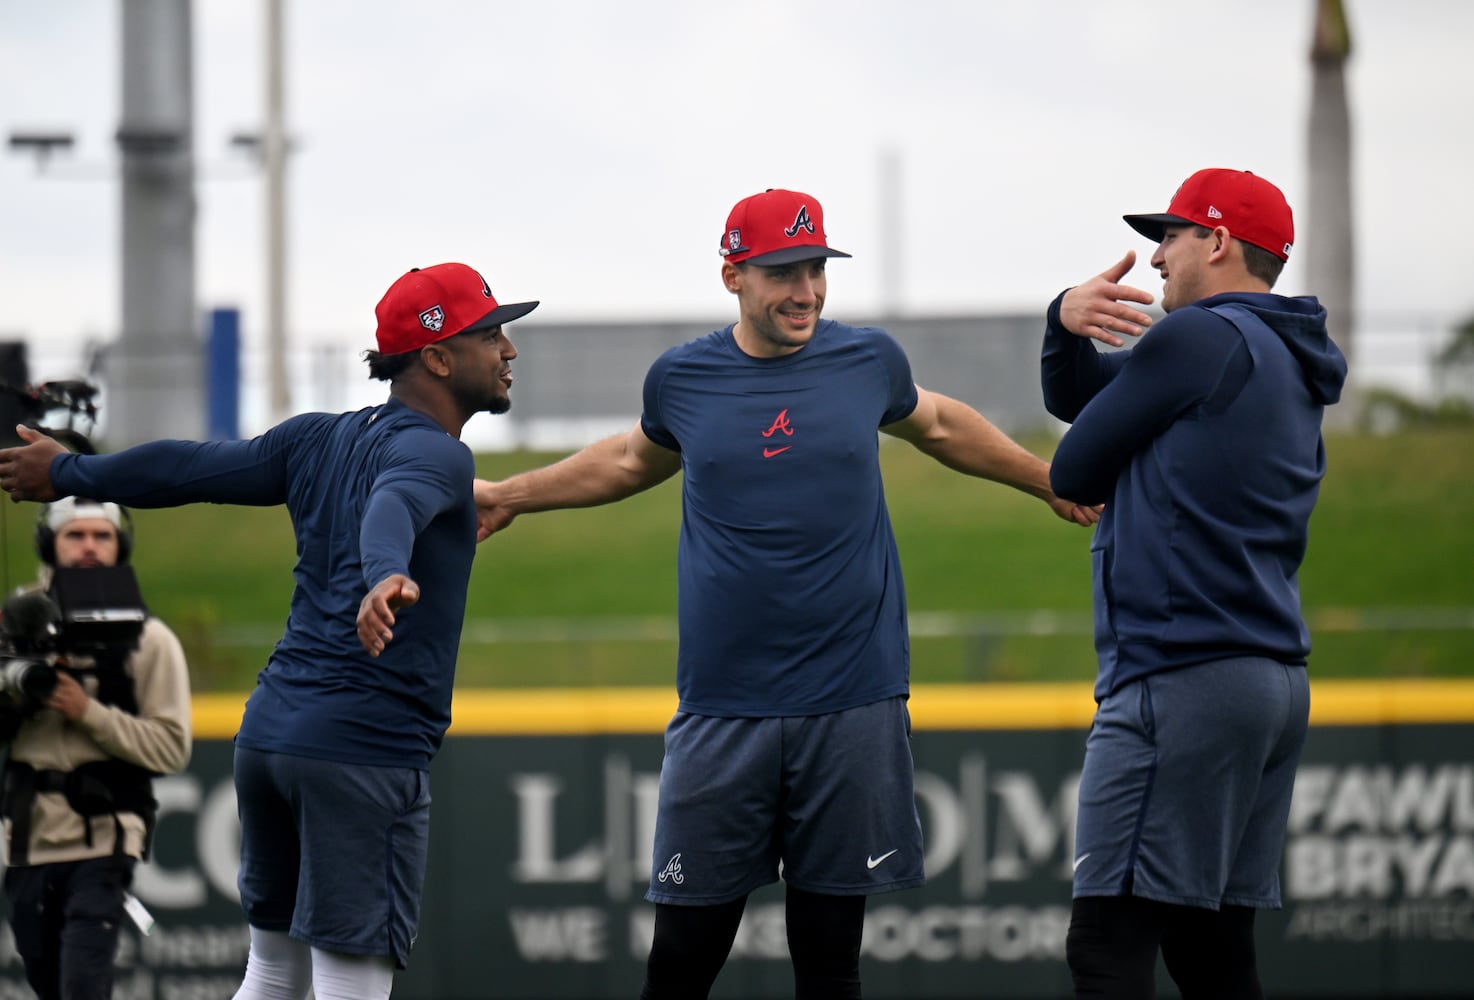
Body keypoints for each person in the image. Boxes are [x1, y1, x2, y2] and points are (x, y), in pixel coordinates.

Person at [475, 188, 1098, 1000]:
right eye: (782, 273)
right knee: (681, 961)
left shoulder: (869, 361)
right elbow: (631, 462)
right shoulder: (683, 379)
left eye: (815, 269)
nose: (805, 290)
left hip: (851, 703)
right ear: (733, 274)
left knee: (830, 962)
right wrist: (512, 493)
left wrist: (1051, 479)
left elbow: (941, 425)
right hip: (722, 711)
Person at [0, 262, 537, 1000]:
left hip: (273, 736)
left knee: (275, 971)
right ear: (438, 358)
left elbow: (187, 467)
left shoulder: (317, 439)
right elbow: (394, 506)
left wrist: (70, 474)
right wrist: (383, 572)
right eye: (490, 333)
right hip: (359, 749)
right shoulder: (437, 453)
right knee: (351, 978)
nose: (508, 348)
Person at [1041, 168, 1349, 998]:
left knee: (1108, 947)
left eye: (1171, 236)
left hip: (1183, 678)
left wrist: (1074, 349)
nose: (1155, 258)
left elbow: (1073, 466)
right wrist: (1063, 326)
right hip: (1268, 680)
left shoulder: (1199, 339)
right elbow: (1086, 399)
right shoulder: (1278, 350)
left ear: (1217, 242)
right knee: (1211, 952)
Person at [0, 496, 191, 1000]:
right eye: (75, 535)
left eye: (101, 536)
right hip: (26, 842)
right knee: (46, 984)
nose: (89, 547)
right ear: (50, 543)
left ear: (120, 545)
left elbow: (172, 748)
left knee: (84, 986)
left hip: (104, 841)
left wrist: (87, 711)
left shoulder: (151, 641)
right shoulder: (10, 628)